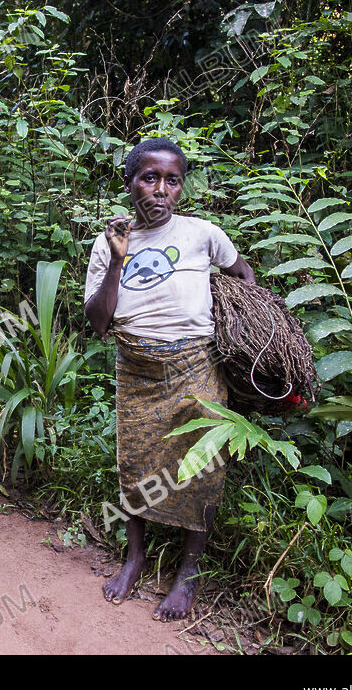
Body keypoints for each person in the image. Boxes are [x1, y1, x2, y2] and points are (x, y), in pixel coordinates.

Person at [83, 138, 255, 621]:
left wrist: (242, 326)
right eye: (149, 178)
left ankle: (187, 575)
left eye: (171, 180)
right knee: (136, 464)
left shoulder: (203, 234)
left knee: (201, 467)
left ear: (182, 186)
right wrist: (118, 258)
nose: (160, 190)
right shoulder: (106, 243)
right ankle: (134, 558)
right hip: (136, 368)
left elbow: (243, 275)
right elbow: (99, 321)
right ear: (130, 183)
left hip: (196, 367)